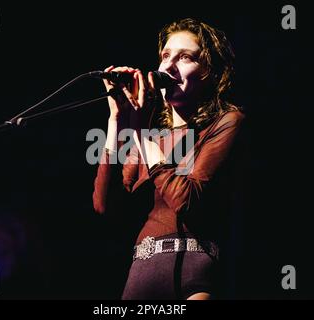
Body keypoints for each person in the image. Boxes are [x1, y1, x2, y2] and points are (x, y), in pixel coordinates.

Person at [92, 18, 245, 300]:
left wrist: (141, 132)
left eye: (185, 57)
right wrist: (117, 119)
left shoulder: (224, 123)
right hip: (141, 277)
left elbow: (185, 200)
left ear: (211, 73)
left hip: (195, 276)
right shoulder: (148, 137)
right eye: (165, 56)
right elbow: (105, 204)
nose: (168, 66)